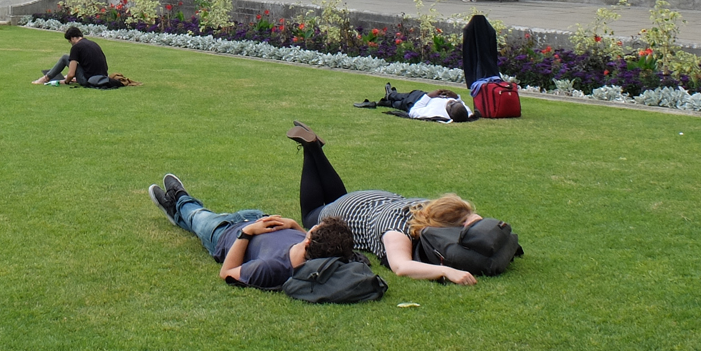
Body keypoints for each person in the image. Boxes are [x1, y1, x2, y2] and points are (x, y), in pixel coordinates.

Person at [282, 121, 489, 284]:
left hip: (370, 201)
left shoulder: (429, 206)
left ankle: (315, 146)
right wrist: (446, 270)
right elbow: (401, 267)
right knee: (311, 217)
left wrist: (475, 223)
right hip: (349, 210)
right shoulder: (396, 231)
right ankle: (311, 149)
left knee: (337, 200)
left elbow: (466, 216)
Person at [147, 173, 360, 291]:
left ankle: (180, 199)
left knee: (197, 216)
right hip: (255, 216)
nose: (308, 230)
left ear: (309, 243)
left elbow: (226, 273)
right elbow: (312, 239)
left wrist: (247, 232)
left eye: (312, 230)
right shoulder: (313, 248)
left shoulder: (272, 268)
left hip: (226, 234)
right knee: (198, 218)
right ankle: (176, 210)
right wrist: (293, 225)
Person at [33, 24, 109, 87]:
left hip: (87, 81)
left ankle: (46, 78)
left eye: (69, 41)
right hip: (101, 78)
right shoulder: (92, 43)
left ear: (72, 38)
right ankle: (48, 77)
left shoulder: (76, 47)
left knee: (65, 58)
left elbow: (71, 74)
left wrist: (66, 81)